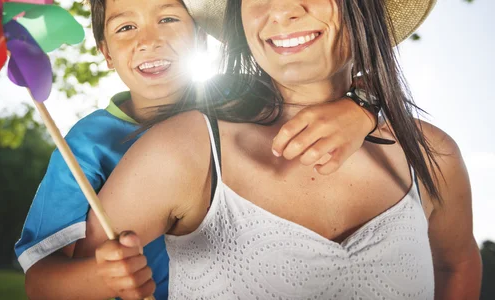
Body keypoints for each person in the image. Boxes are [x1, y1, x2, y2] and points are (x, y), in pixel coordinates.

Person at [65, 0, 482, 299]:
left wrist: (365, 107)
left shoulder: (433, 154)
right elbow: (74, 281)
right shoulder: (182, 149)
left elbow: (457, 265)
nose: (280, 10)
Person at [17, 0, 381, 299]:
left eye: (168, 18)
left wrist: (360, 110)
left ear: (202, 39)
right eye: (125, 28)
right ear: (106, 54)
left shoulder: (243, 98)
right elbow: (40, 282)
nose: (149, 41)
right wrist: (102, 277)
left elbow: (335, 80)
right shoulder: (86, 146)